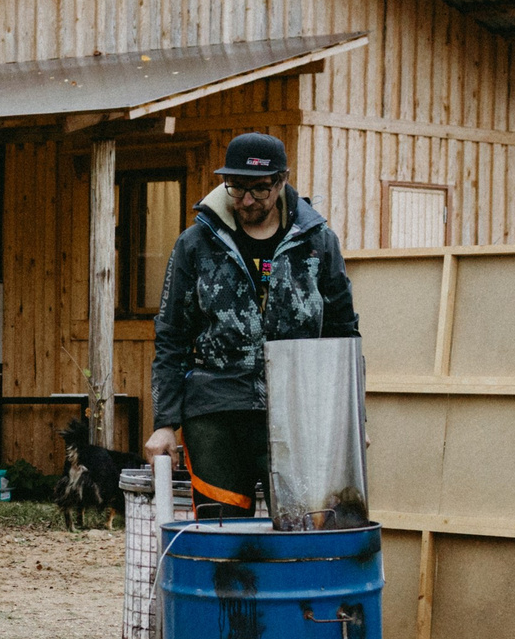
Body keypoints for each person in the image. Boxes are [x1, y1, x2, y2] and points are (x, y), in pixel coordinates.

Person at [146, 131, 359, 517]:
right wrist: (165, 423)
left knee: (304, 525)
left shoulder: (318, 243)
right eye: (236, 187)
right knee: (220, 531)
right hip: (215, 412)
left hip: (298, 411)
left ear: (281, 181)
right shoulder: (194, 244)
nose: (246, 200)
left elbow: (343, 334)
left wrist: (351, 419)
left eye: (259, 189)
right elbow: (171, 336)